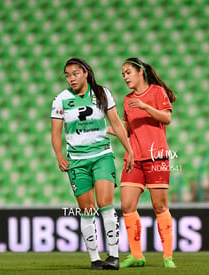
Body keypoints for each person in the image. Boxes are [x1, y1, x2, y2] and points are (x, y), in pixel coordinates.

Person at [51, 57, 134, 270]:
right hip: (77, 162)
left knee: (106, 203)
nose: (71, 78)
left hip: (102, 156)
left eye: (75, 73)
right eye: (67, 75)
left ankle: (114, 256)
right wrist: (59, 155)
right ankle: (95, 259)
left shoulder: (102, 93)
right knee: (87, 210)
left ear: (86, 73)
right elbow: (55, 132)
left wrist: (129, 150)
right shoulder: (60, 100)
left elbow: (116, 123)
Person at [109, 57, 177, 268]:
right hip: (134, 159)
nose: (125, 77)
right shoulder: (127, 100)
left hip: (156, 157)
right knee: (127, 205)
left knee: (160, 206)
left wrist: (145, 106)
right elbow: (127, 130)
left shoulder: (157, 92)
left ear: (140, 72)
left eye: (128, 72)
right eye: (123, 75)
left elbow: (166, 118)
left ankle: (167, 257)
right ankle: (137, 255)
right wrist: (102, 130)